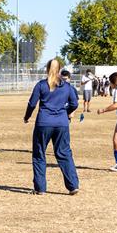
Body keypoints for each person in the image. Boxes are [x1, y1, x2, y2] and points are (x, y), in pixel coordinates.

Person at [24, 58, 79, 195]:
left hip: (43, 123)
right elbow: (74, 103)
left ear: (47, 69)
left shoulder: (41, 85)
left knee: (39, 154)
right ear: (60, 69)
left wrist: (27, 116)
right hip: (61, 124)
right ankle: (73, 186)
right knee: (64, 153)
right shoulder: (67, 87)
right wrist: (64, 113)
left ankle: (40, 188)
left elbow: (32, 104)